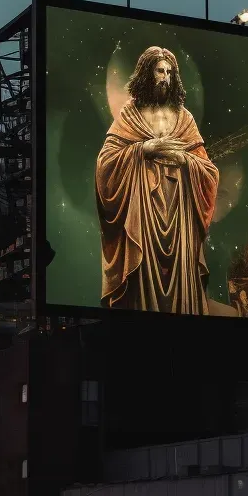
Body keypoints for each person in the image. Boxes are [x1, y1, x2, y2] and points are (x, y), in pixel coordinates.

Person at [95, 46, 219, 314]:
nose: (165, 77)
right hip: (144, 207)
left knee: (180, 272)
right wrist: (144, 149)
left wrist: (185, 160)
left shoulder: (184, 118)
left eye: (170, 72)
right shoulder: (131, 115)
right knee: (144, 274)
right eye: (160, 71)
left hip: (179, 208)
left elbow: (208, 169)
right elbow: (106, 161)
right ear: (147, 73)